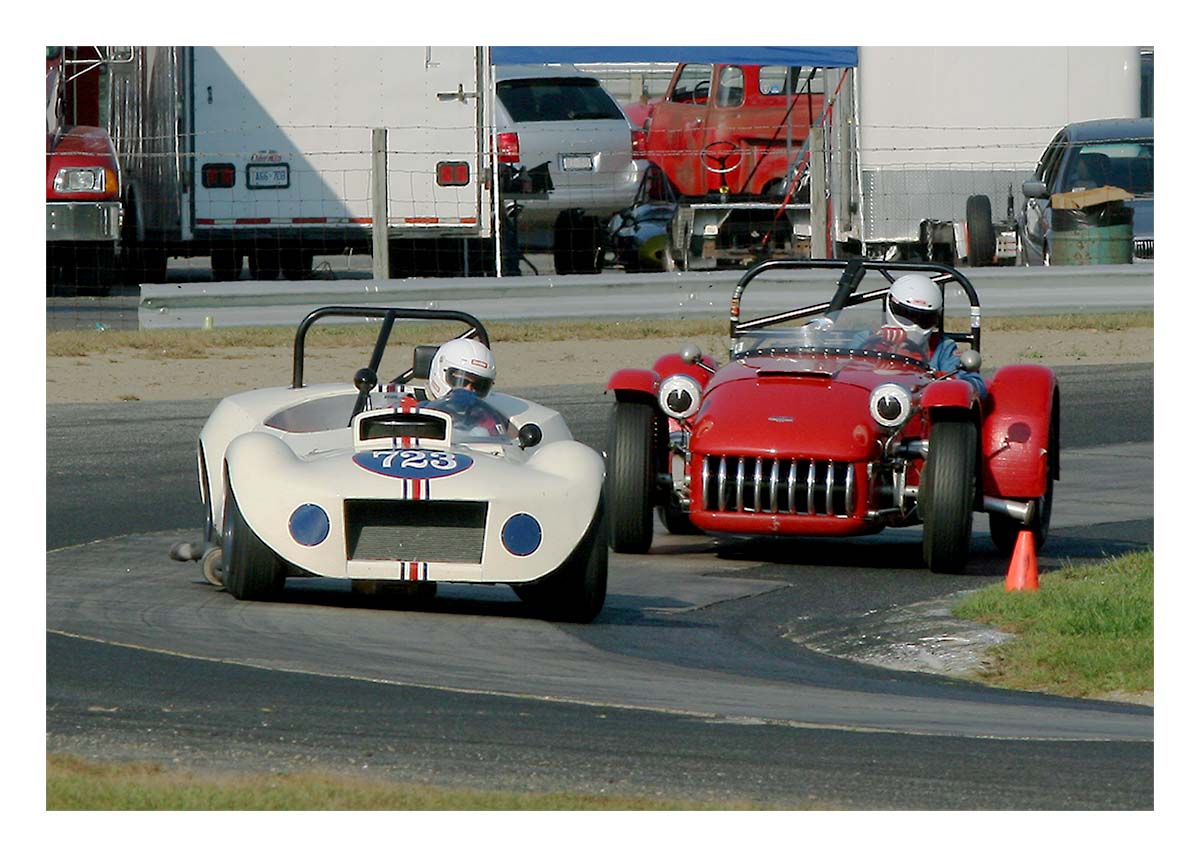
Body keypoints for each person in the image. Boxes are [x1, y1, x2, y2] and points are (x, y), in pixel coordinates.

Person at [859, 273, 986, 397]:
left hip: (922, 412)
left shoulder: (941, 347)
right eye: (906, 315)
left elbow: (975, 387)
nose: (914, 325)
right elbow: (843, 374)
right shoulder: (865, 339)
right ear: (891, 307)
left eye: (924, 319)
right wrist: (875, 347)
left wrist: (933, 377)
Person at [425, 339, 511, 439]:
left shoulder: (486, 418)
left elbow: (510, 441)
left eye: (479, 386)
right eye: (462, 381)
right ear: (441, 371)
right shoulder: (419, 410)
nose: (468, 390)